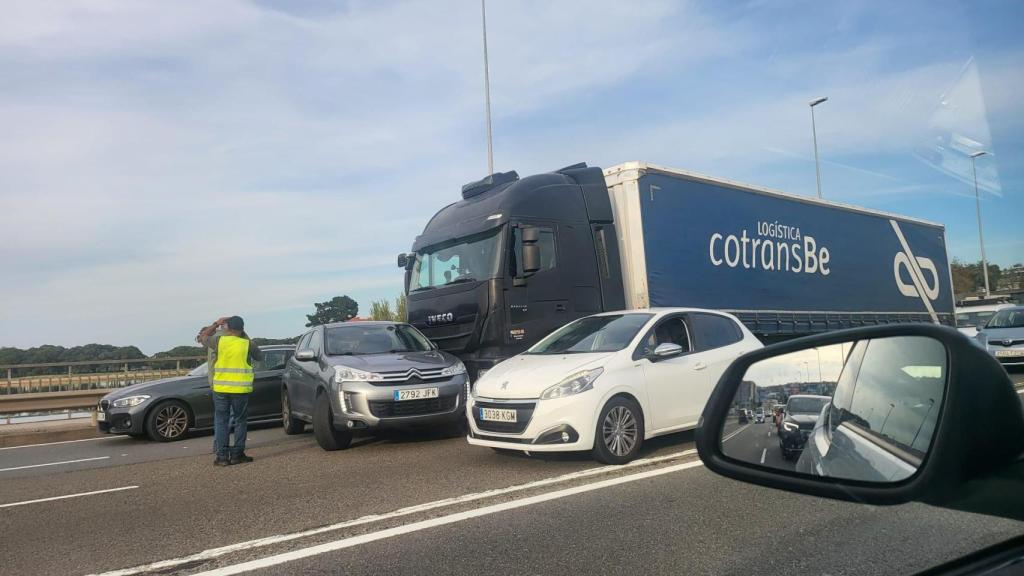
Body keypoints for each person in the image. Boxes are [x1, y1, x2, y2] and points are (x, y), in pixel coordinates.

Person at [196, 316, 262, 466]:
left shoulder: (219, 342)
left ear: (227, 328)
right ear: (242, 328)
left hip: (220, 388)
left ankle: (222, 457)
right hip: (240, 388)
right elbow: (259, 356)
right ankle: (238, 454)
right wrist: (245, 335)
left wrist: (215, 324)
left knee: (221, 421)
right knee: (240, 421)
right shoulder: (247, 344)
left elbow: (202, 337)